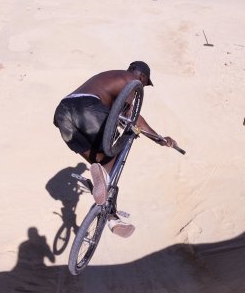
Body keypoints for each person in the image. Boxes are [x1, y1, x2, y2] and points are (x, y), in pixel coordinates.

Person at [53, 61, 177, 237]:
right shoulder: (131, 81)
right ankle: (108, 205)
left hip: (63, 114)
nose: (142, 88)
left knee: (102, 161)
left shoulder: (109, 79)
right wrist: (157, 138)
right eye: (145, 84)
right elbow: (129, 115)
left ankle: (110, 215)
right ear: (142, 77)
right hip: (88, 108)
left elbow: (130, 114)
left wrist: (158, 138)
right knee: (116, 150)